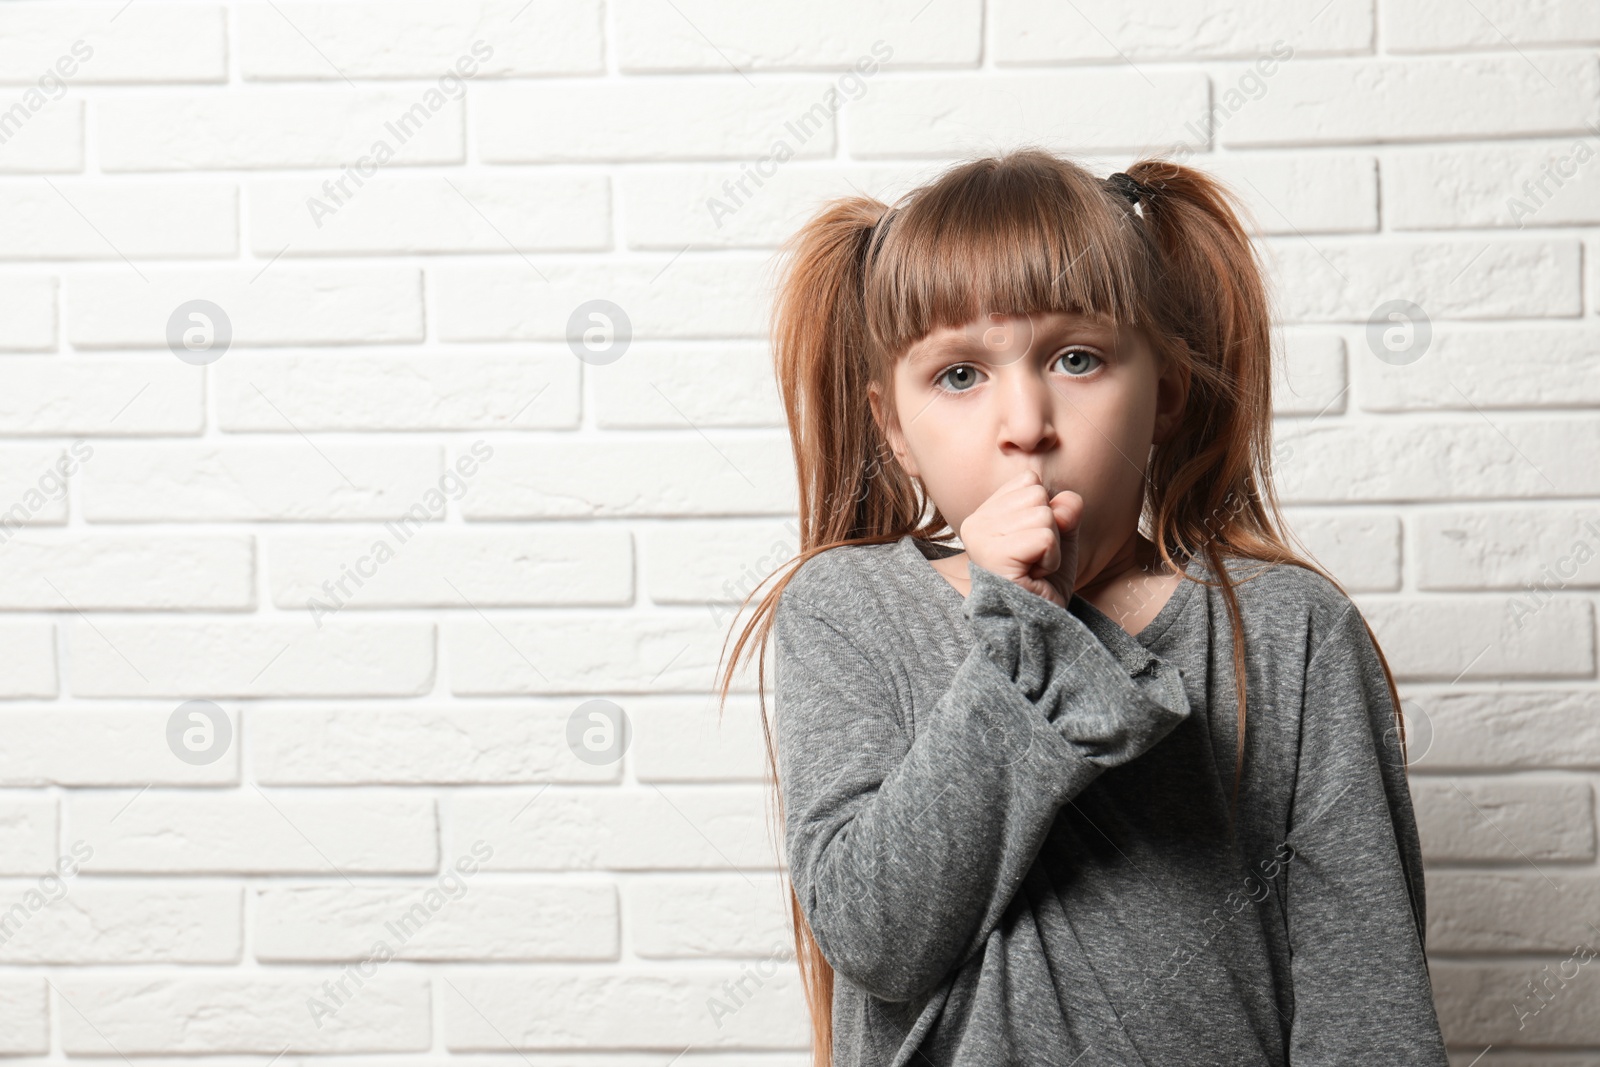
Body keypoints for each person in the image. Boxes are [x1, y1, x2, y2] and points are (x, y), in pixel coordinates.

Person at [713, 147, 1448, 1066]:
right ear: (894, 430)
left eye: (1076, 358)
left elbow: (1368, 1005)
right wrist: (1016, 633)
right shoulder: (849, 608)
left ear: (1165, 394)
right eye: (959, 375)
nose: (1025, 420)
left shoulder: (1289, 631)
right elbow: (875, 937)